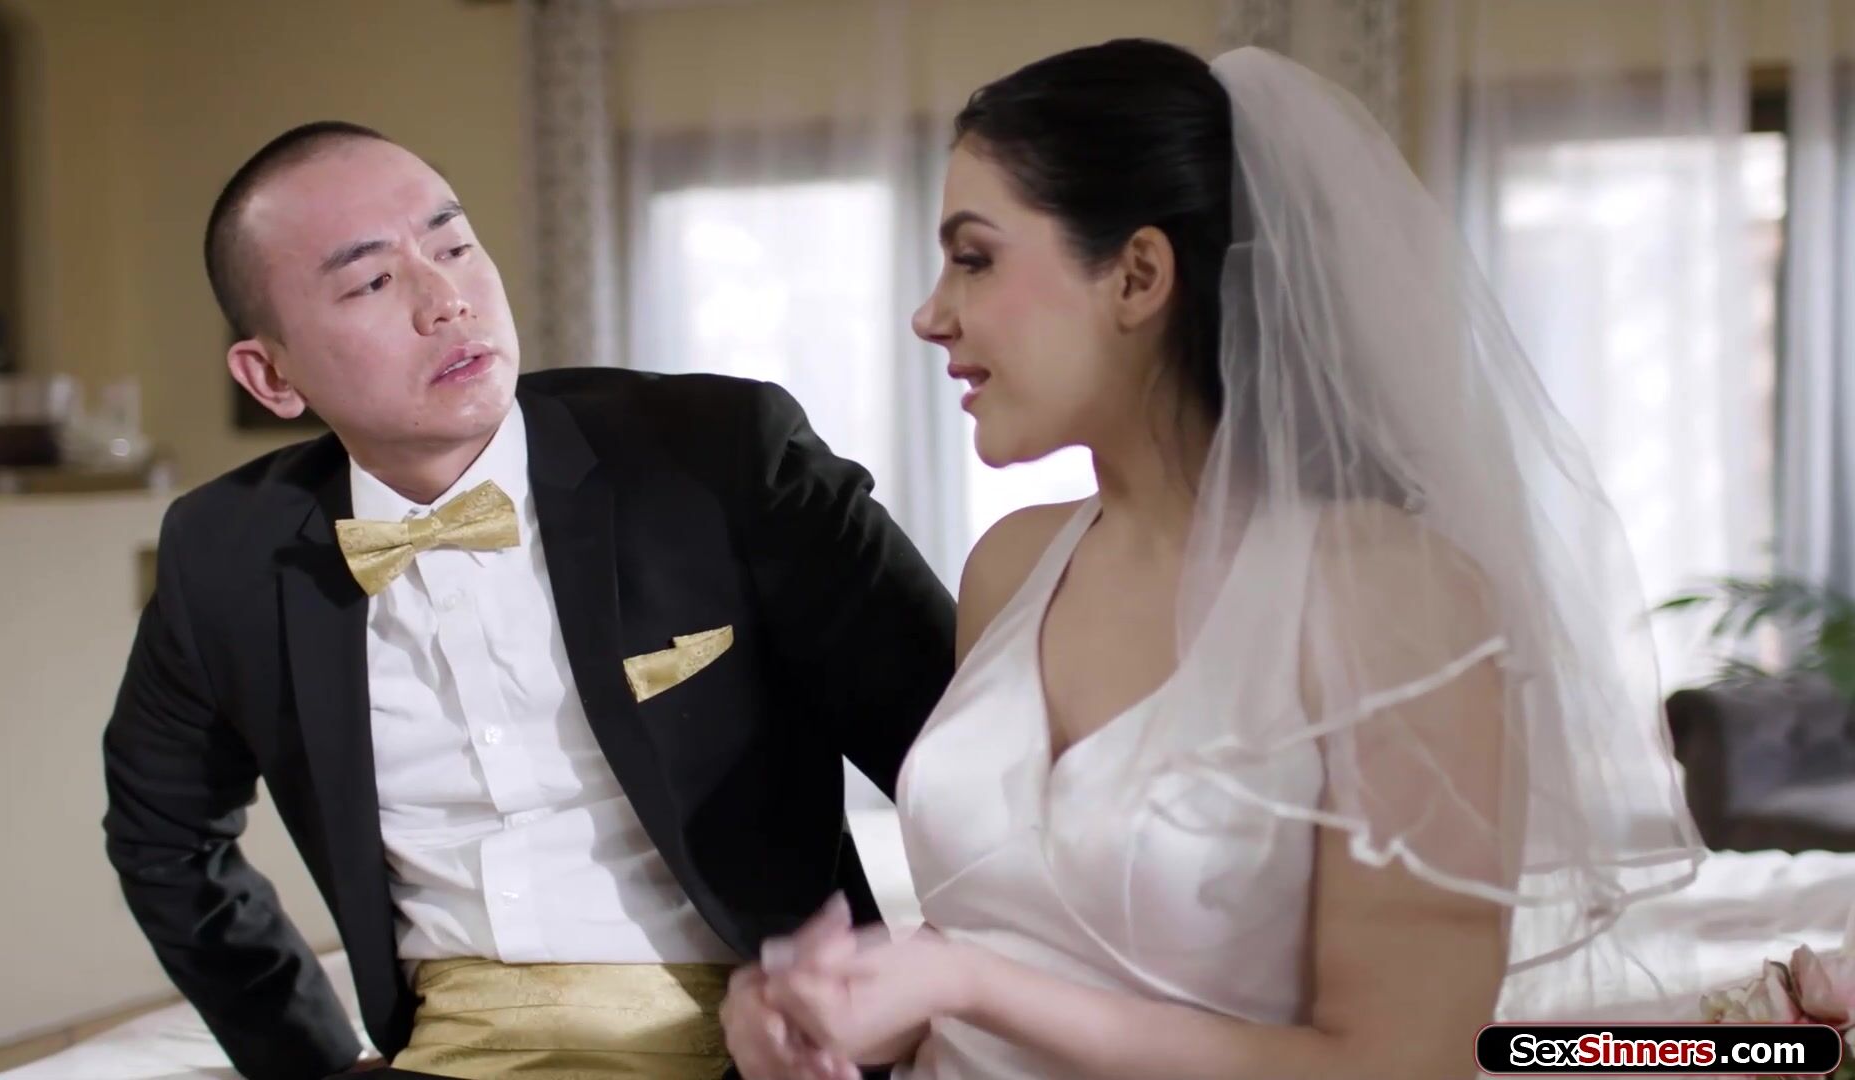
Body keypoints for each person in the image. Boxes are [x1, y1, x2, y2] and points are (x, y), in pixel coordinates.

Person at [720, 40, 1707, 1080]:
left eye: (974, 258)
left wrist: (968, 983)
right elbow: (1015, 933)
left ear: (1138, 275)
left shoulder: (1392, 597)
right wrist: (838, 1018)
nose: (931, 315)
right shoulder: (1010, 567)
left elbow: (1404, 1060)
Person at [100, 120, 956, 1080]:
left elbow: (960, 752)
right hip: (454, 1045)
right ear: (271, 375)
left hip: (767, 1039)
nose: (446, 300)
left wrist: (943, 986)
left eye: (454, 246)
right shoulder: (226, 551)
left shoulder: (719, 454)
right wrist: (312, 1062)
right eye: (372, 282)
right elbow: (162, 837)